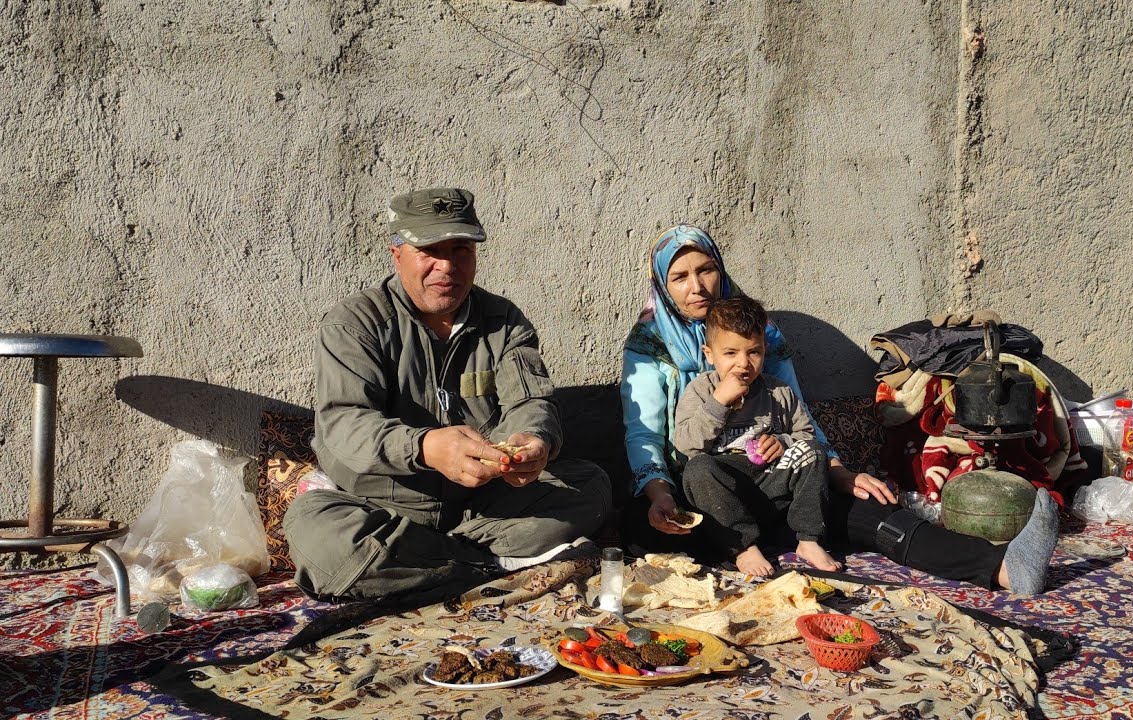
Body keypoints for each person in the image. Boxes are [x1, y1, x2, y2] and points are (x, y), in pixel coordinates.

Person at [620, 224, 1059, 593]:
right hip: (701, 494)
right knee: (641, 529)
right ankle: (738, 545)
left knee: (876, 515)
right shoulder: (650, 344)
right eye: (680, 276)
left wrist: (839, 472)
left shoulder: (762, 333)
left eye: (706, 270)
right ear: (663, 284)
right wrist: (660, 495)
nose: (697, 286)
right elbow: (645, 434)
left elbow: (798, 418)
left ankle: (1003, 568)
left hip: (778, 486)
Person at [285, 187, 611, 603]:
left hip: (482, 505)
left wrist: (533, 441)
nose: (447, 266)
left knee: (591, 487)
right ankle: (490, 563)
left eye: (461, 251)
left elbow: (530, 402)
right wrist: (424, 447)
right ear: (397, 254)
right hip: (382, 507)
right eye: (430, 251)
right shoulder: (354, 324)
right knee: (322, 540)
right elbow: (345, 423)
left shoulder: (504, 321)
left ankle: (431, 564)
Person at [674, 295, 842, 576]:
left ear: (765, 351)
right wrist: (719, 402)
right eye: (730, 353)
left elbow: (806, 434)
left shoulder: (778, 392)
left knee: (813, 451)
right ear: (709, 354)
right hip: (727, 495)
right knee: (698, 469)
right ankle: (743, 546)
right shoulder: (701, 391)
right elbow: (686, 445)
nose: (743, 363)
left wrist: (783, 442)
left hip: (770, 484)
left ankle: (809, 539)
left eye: (754, 352)